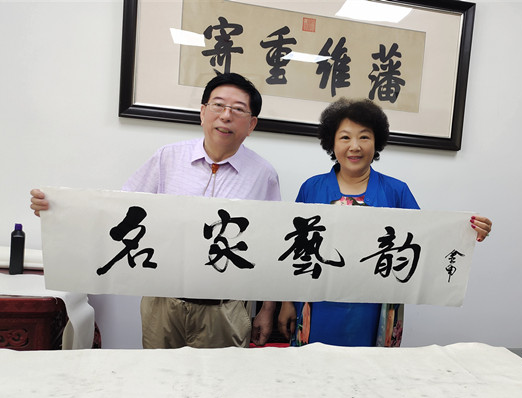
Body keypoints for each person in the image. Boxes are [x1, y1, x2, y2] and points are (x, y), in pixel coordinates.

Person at [30, 73, 280, 349]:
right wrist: (60, 213)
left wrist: (267, 308)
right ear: (202, 112)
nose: (226, 115)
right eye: (218, 105)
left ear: (251, 124)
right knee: (158, 373)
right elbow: (118, 211)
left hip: (226, 309)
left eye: (238, 109)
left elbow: (269, 245)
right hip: (162, 303)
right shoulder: (167, 158)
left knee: (219, 376)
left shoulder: (263, 174)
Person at [277, 98, 492, 347]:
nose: (355, 146)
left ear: (376, 141)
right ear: (331, 143)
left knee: (373, 369)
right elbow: (295, 252)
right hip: (317, 307)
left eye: (364, 137)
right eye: (345, 137)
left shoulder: (396, 191)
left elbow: (426, 240)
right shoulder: (311, 188)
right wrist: (286, 303)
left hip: (377, 309)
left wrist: (468, 230)